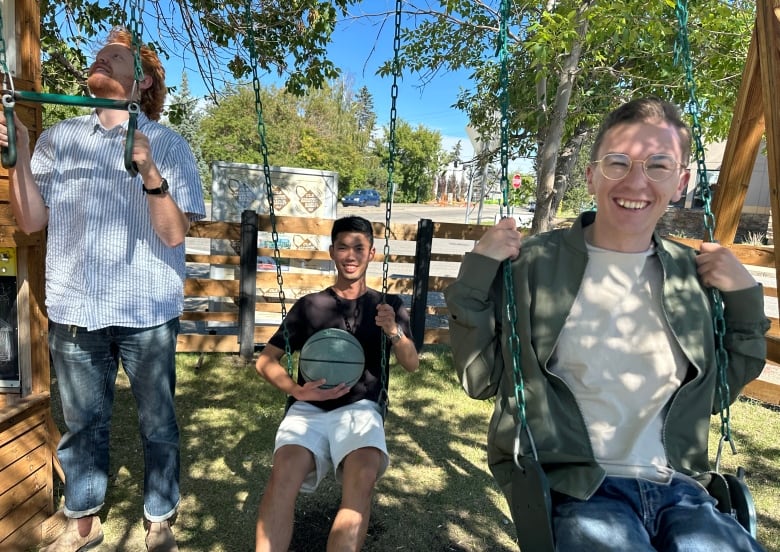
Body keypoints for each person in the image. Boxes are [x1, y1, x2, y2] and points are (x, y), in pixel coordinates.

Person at [444, 97, 769, 551]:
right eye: (619, 162)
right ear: (593, 175)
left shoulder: (695, 275)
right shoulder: (534, 266)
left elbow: (715, 394)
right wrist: (478, 271)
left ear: (682, 182)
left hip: (681, 488)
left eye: (659, 165)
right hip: (578, 487)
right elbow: (482, 379)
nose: (636, 181)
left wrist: (742, 296)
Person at [0, 27, 205, 552]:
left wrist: (150, 172)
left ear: (143, 83)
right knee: (81, 425)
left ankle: (159, 517)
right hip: (76, 308)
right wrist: (21, 151)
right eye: (100, 56)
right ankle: (84, 521)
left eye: (114, 58)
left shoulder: (172, 146)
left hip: (149, 312)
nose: (101, 62)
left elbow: (175, 233)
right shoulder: (59, 139)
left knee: (158, 421)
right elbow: (29, 222)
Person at [254, 215, 419, 552]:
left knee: (362, 479)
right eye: (342, 247)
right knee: (282, 476)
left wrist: (393, 331)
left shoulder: (389, 306)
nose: (350, 254)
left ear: (372, 253)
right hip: (308, 410)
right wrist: (297, 390)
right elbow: (265, 361)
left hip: (361, 409)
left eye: (359, 247)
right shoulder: (310, 306)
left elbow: (411, 363)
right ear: (332, 252)